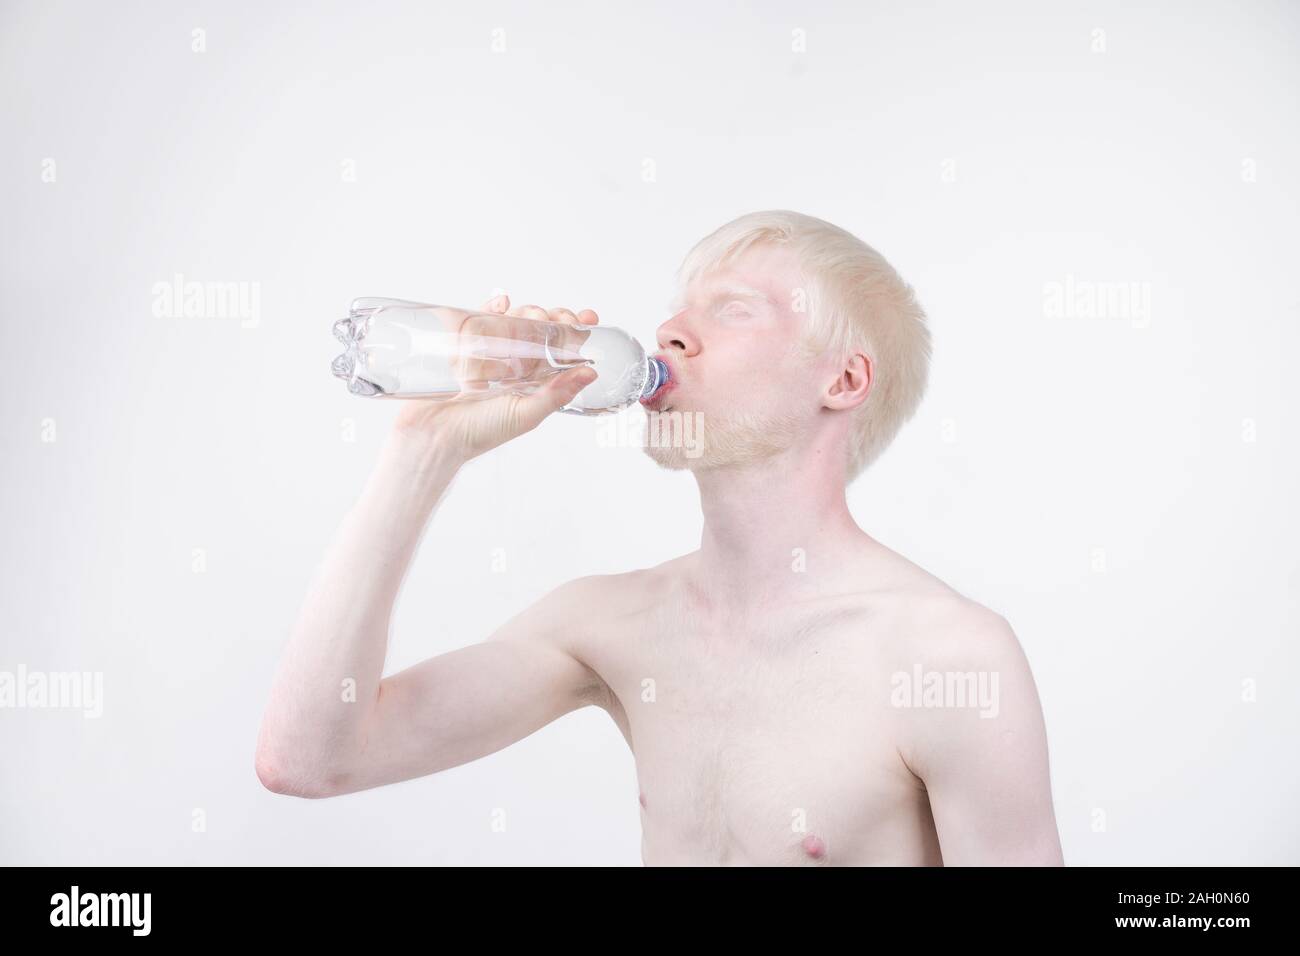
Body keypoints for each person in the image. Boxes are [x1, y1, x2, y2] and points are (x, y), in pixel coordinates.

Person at [255, 210, 1065, 866]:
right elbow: (311, 759)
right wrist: (423, 452)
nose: (672, 331)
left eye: (735, 308)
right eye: (680, 306)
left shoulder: (947, 656)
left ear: (843, 379)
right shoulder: (608, 626)